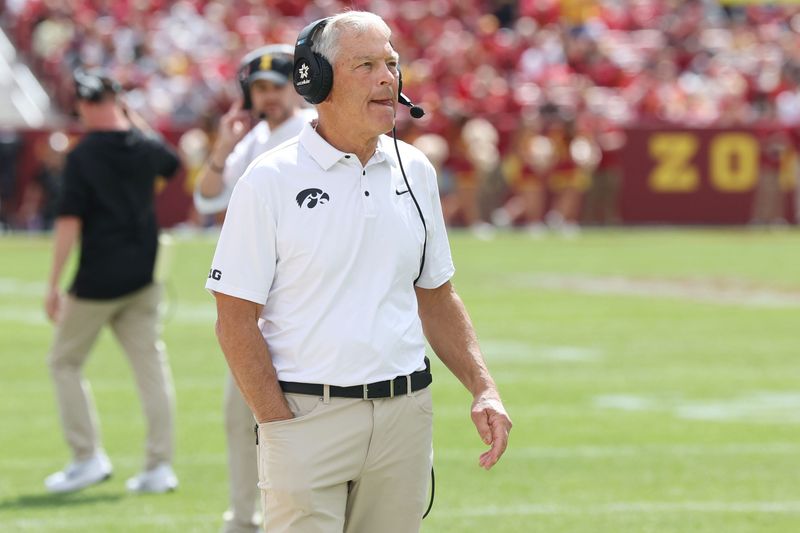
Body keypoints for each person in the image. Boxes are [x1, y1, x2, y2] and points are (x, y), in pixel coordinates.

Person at [206, 12, 512, 533]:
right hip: (306, 416)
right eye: (366, 65)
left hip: (404, 418)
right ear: (317, 80)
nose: (387, 78)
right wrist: (277, 423)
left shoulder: (417, 170)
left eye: (391, 64)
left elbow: (438, 295)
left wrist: (483, 387)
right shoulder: (268, 180)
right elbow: (234, 318)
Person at [43, 68, 181, 494]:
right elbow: (171, 163)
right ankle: (159, 467)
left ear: (85, 104)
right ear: (117, 100)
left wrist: (53, 284)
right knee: (151, 370)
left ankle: (87, 457)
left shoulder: (84, 155)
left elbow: (69, 221)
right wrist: (129, 115)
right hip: (143, 275)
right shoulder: (142, 144)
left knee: (63, 362)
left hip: (99, 278)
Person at [193, 44, 312, 533]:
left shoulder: (311, 131)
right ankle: (244, 517)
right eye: (259, 87)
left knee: (304, 417)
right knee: (241, 416)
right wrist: (223, 145)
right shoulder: (254, 137)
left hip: (300, 296)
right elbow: (206, 196)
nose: (267, 96)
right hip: (253, 300)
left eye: (275, 85)